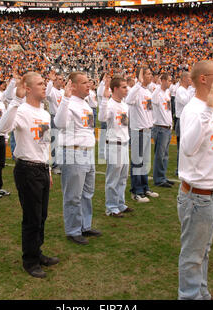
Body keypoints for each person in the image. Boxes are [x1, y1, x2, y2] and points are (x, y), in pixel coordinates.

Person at [0, 72, 58, 279]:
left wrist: (48, 169)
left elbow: (46, 144)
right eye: (40, 84)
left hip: (41, 168)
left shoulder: (44, 113)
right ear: (29, 88)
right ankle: (29, 261)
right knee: (32, 218)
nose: (44, 87)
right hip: (27, 170)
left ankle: (37, 252)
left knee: (42, 215)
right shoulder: (21, 110)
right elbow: (2, 128)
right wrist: (15, 100)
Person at [177, 60, 213, 300]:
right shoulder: (195, 109)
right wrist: (208, 110)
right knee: (193, 254)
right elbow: (187, 147)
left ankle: (201, 293)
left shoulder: (208, 107)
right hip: (197, 196)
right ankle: (189, 296)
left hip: (211, 193)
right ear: (204, 79)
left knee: (203, 251)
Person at [54, 72, 102, 245]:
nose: (88, 85)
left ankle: (85, 225)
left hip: (87, 152)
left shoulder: (86, 103)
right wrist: (65, 99)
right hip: (73, 152)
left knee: (87, 193)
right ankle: (73, 230)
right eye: (84, 82)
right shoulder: (68, 103)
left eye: (88, 81)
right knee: (73, 195)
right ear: (72, 85)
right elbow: (59, 124)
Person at [98, 75, 133, 218]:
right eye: (124, 87)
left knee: (123, 176)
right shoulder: (110, 104)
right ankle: (111, 207)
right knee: (113, 177)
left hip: (124, 143)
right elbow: (101, 118)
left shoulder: (124, 105)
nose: (127, 89)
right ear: (116, 89)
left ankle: (120, 203)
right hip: (114, 144)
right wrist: (105, 99)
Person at [126, 67, 159, 202]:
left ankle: (145, 187)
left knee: (145, 162)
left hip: (146, 130)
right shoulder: (137, 89)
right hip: (137, 130)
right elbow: (128, 100)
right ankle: (137, 191)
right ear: (141, 76)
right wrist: (138, 83)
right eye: (148, 73)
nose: (150, 76)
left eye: (151, 73)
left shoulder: (147, 91)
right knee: (137, 162)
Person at [152, 73, 174, 188]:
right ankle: (159, 179)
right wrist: (159, 82)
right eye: (169, 80)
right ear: (164, 80)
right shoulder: (157, 92)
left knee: (165, 155)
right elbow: (153, 98)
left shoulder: (166, 93)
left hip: (167, 127)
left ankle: (163, 177)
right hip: (160, 127)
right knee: (160, 155)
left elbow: (168, 110)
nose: (171, 82)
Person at [174, 72, 194, 176]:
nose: (191, 80)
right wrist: (193, 90)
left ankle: (184, 168)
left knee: (187, 145)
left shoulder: (187, 90)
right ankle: (179, 169)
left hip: (187, 120)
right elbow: (187, 102)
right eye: (190, 78)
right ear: (184, 78)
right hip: (181, 120)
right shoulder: (180, 90)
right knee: (181, 147)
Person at [46, 69, 65, 174]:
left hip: (63, 118)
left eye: (62, 79)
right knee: (55, 142)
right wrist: (50, 81)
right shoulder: (52, 90)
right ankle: (55, 165)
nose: (61, 81)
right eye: (59, 79)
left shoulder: (62, 91)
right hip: (54, 117)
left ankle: (61, 163)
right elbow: (46, 94)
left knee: (62, 141)